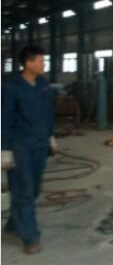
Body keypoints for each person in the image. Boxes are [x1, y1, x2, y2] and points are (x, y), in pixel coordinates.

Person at [1, 45, 57, 255]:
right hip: (20, 147)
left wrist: (50, 136)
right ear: (28, 63)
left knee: (34, 189)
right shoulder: (12, 88)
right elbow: (5, 119)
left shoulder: (43, 85)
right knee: (24, 190)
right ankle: (30, 237)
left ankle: (14, 223)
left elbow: (48, 113)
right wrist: (4, 149)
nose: (44, 65)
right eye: (41, 61)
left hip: (40, 144)